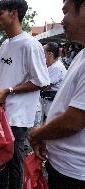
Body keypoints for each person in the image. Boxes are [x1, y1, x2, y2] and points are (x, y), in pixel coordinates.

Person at [0, 1, 50, 188]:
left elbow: (41, 81)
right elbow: (5, 77)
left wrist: (9, 91)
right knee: (0, 162)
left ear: (13, 14)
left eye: (0, 13)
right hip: (1, 114)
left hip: (17, 118)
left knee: (14, 164)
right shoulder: (5, 45)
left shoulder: (30, 44)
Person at [29, 0, 85, 188]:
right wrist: (48, 135)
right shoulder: (81, 55)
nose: (62, 20)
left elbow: (73, 121)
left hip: (74, 173)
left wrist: (38, 134)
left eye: (65, 11)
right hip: (65, 166)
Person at [40, 42, 67, 120]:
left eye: (42, 52)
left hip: (53, 102)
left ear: (49, 54)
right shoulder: (51, 66)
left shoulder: (56, 67)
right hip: (48, 101)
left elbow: (44, 86)